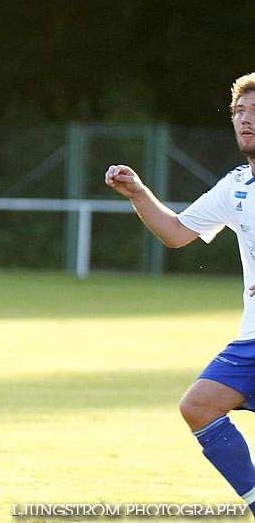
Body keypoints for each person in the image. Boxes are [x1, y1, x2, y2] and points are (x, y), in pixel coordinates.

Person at [105, 72, 255, 514]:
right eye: (239, 113)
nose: (246, 120)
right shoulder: (236, 186)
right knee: (200, 405)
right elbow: (176, 232)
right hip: (252, 340)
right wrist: (137, 193)